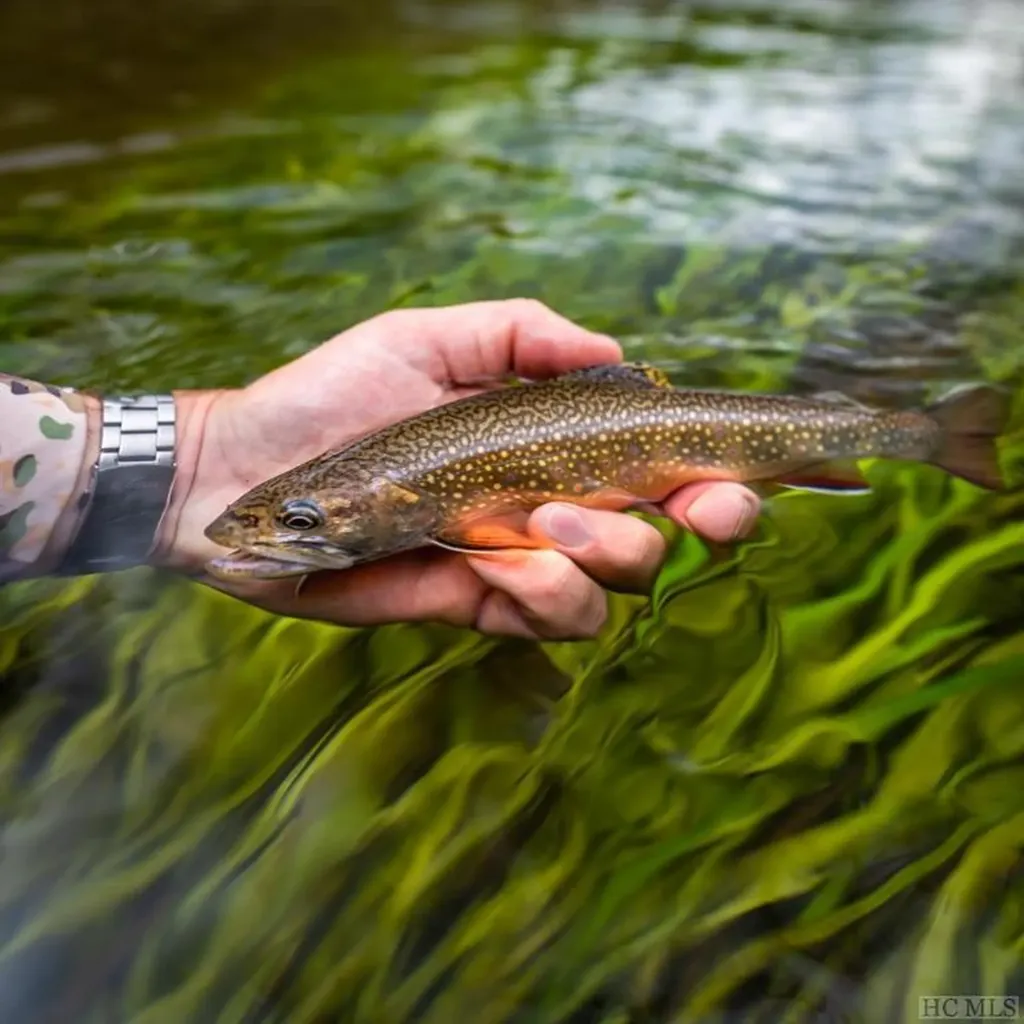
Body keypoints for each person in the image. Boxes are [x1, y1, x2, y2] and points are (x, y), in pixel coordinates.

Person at [1, 299, 761, 639]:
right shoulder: (415, 502)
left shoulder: (424, 502)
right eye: (299, 521)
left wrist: (190, 455)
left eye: (301, 521)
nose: (283, 532)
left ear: (407, 501)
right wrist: (181, 470)